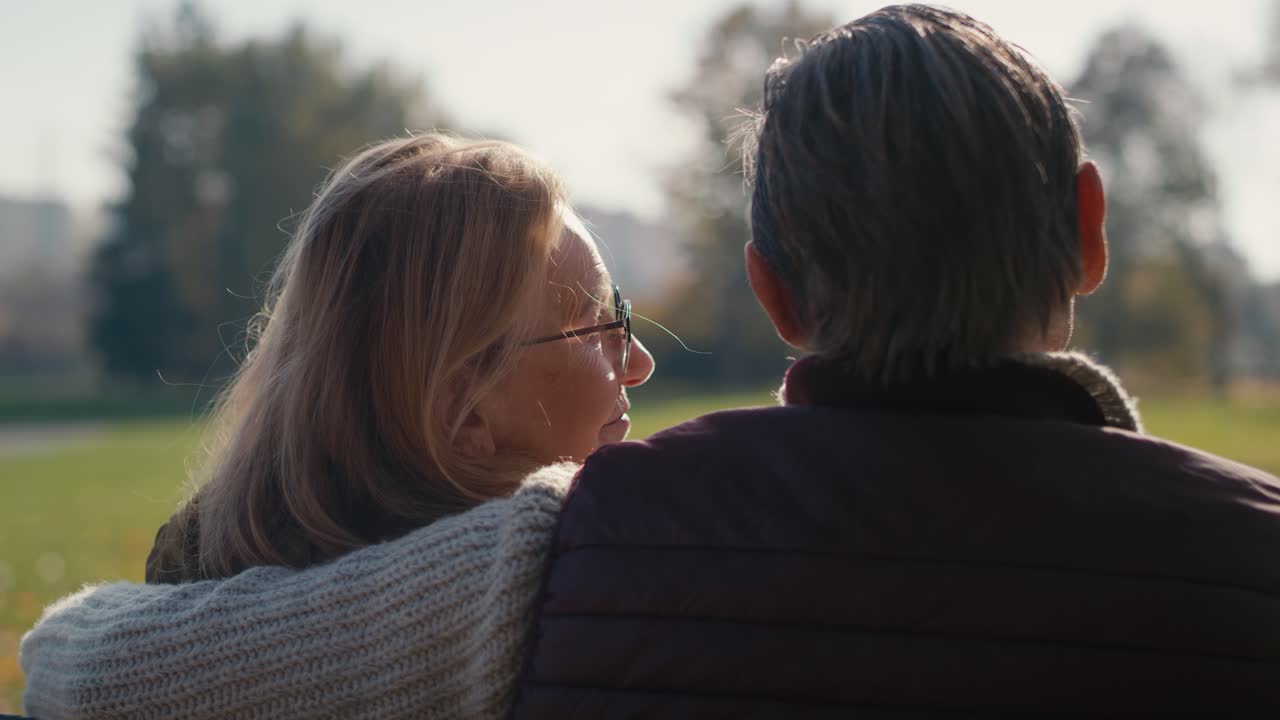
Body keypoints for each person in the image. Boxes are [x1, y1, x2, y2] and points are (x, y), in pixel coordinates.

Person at [21, 4, 1280, 718]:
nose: (632, 362)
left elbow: (87, 671)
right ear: (1088, 231)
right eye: (595, 322)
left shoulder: (561, 550)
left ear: (772, 292)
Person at [138, 133, 652, 585]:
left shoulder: (166, 618)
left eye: (620, 318)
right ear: (463, 408)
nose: (640, 363)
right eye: (598, 326)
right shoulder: (586, 595)